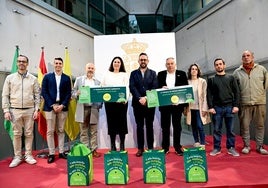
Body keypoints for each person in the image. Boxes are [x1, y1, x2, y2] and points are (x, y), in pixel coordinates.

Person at [2, 55, 40, 168]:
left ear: (27, 64)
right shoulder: (10, 78)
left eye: (24, 61)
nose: (21, 63)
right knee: (17, 134)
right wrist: (6, 110)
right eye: (19, 61)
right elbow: (5, 95)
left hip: (29, 110)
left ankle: (28, 155)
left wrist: (36, 109)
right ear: (17, 63)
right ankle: (17, 156)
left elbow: (37, 95)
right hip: (15, 110)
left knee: (29, 134)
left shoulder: (33, 79)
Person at [233, 50, 268, 155]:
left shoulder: (261, 69)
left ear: (253, 57)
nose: (246, 57)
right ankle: (246, 146)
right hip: (244, 103)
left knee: (260, 125)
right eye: (244, 56)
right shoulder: (237, 72)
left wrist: (260, 94)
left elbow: (266, 84)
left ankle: (259, 146)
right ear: (241, 58)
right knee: (244, 126)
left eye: (248, 55)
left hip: (259, 102)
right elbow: (235, 89)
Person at [207, 58, 240, 157]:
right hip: (217, 108)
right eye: (216, 64)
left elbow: (237, 92)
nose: (219, 66)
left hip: (230, 107)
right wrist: (211, 107)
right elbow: (208, 94)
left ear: (224, 65)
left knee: (230, 130)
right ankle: (217, 148)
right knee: (217, 130)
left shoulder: (231, 78)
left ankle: (231, 148)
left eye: (220, 64)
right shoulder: (212, 80)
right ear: (215, 67)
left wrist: (236, 105)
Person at [41, 57, 72, 163]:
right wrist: (52, 105)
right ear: (54, 65)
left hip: (62, 107)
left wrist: (62, 105)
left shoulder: (67, 78)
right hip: (50, 107)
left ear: (62, 65)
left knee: (61, 130)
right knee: (50, 131)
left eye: (60, 63)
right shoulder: (47, 77)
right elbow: (44, 92)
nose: (58, 65)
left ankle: (62, 152)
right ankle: (51, 153)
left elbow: (69, 93)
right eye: (56, 63)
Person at [157, 57, 188, 155]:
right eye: (168, 64)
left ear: (175, 64)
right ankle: (165, 148)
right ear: (166, 65)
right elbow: (156, 88)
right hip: (165, 106)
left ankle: (177, 147)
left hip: (177, 105)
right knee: (165, 127)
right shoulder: (160, 74)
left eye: (172, 63)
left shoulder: (182, 74)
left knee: (177, 127)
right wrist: (161, 88)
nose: (170, 65)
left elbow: (185, 89)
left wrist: (184, 104)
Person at [129, 52, 158, 157]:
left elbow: (155, 87)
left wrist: (146, 98)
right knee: (139, 126)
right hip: (137, 104)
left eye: (144, 59)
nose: (143, 61)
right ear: (138, 61)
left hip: (150, 103)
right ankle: (140, 148)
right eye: (141, 60)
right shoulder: (133, 73)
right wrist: (139, 98)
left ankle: (150, 148)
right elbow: (132, 87)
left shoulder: (153, 73)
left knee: (150, 126)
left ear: (148, 61)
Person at [72, 63, 102, 158]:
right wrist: (77, 93)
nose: (90, 69)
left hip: (93, 108)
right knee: (83, 131)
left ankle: (94, 150)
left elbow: (100, 96)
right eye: (89, 68)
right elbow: (72, 93)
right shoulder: (79, 80)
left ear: (94, 70)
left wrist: (99, 105)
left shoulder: (97, 82)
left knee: (93, 131)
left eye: (92, 68)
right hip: (82, 108)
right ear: (86, 69)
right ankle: (86, 150)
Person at [102, 56, 129, 151]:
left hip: (121, 103)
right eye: (115, 62)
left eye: (118, 62)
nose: (116, 63)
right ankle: (112, 145)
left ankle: (122, 144)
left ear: (121, 64)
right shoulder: (106, 74)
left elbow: (127, 88)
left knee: (122, 123)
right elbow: (103, 87)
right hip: (110, 103)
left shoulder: (124, 74)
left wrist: (125, 99)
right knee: (111, 123)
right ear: (112, 63)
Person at [185, 63, 211, 148]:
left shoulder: (202, 81)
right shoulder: (187, 82)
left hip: (199, 107)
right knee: (193, 126)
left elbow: (205, 95)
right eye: (192, 69)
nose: (194, 70)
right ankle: (196, 141)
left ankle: (202, 143)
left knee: (200, 125)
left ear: (198, 71)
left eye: (196, 69)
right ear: (190, 71)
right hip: (190, 108)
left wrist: (204, 108)